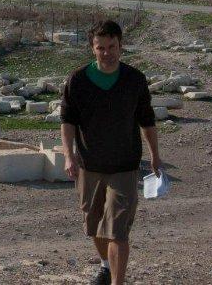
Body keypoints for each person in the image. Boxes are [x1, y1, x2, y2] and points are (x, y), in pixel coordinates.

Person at [60, 20, 161, 285]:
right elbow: (67, 121)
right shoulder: (78, 80)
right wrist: (68, 156)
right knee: (94, 225)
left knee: (118, 231)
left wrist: (155, 155)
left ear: (120, 46)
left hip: (124, 166)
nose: (107, 52)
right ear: (92, 49)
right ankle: (106, 266)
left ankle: (117, 281)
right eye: (100, 47)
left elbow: (147, 121)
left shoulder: (134, 80)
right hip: (89, 164)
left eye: (112, 46)